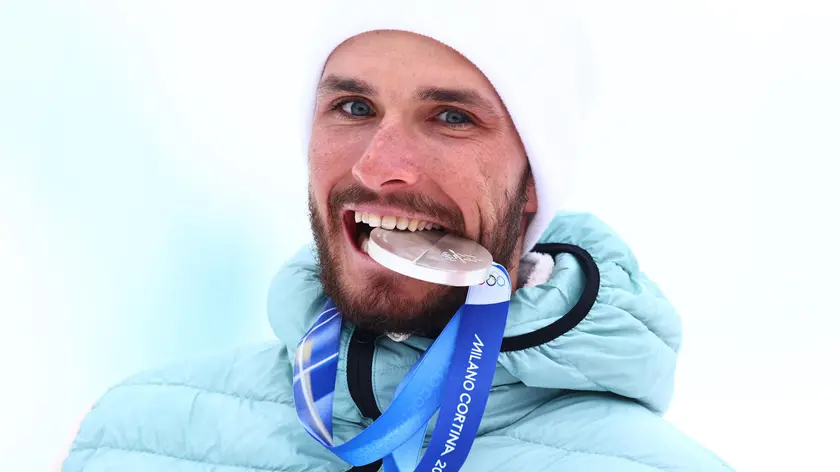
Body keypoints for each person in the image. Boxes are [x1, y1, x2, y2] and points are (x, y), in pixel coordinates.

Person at [63, 2, 733, 471]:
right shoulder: (131, 435)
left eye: (451, 117)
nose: (378, 166)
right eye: (354, 107)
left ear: (533, 182)